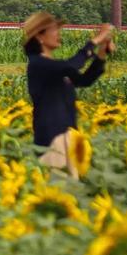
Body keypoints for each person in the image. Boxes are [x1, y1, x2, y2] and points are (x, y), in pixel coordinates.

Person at [23, 12, 114, 177]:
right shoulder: (38, 65)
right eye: (54, 30)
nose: (59, 34)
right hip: (52, 140)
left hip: (67, 137)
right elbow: (71, 65)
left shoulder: (53, 66)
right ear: (39, 36)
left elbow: (84, 80)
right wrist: (94, 41)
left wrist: (101, 52)